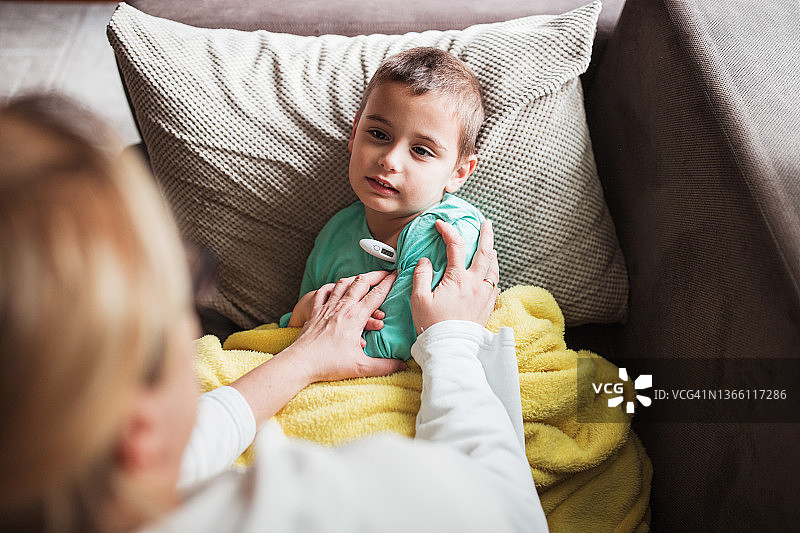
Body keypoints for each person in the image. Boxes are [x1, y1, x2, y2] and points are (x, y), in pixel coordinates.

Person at [0, 94, 548, 533]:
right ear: (136, 430)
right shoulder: (311, 501)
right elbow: (508, 511)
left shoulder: (61, 479)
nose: (193, 322)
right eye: (180, 288)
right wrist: (452, 339)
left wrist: (305, 355)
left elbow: (191, 443)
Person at [281, 47, 487, 361]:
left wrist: (324, 327)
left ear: (458, 174)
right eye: (378, 134)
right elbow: (295, 331)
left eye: (421, 151)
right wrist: (305, 310)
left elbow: (403, 340)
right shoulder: (334, 234)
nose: (389, 160)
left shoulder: (450, 231)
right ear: (354, 134)